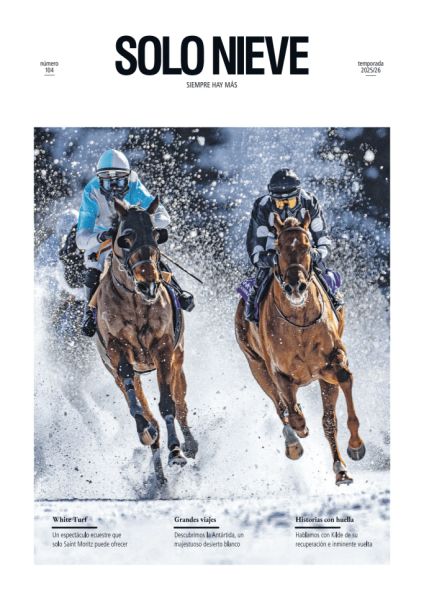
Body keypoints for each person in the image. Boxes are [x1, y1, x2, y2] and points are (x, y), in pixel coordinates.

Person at [76, 149, 194, 337]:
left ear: (128, 178)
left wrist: (145, 225)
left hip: (131, 236)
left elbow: (164, 216)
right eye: (108, 182)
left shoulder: (135, 185)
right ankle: (88, 313)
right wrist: (100, 237)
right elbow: (82, 238)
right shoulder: (91, 192)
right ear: (99, 181)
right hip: (103, 237)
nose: (114, 188)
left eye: (119, 182)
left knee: (149, 257)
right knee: (93, 267)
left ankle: (178, 293)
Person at [244, 168, 343, 322]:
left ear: (298, 196)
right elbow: (256, 250)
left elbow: (324, 241)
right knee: (262, 275)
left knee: (321, 270)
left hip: (302, 247)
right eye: (280, 203)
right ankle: (253, 306)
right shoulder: (263, 206)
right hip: (274, 247)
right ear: (272, 199)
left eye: (290, 202)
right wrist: (272, 259)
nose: (286, 208)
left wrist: (315, 254)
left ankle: (332, 297)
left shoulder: (309, 201)